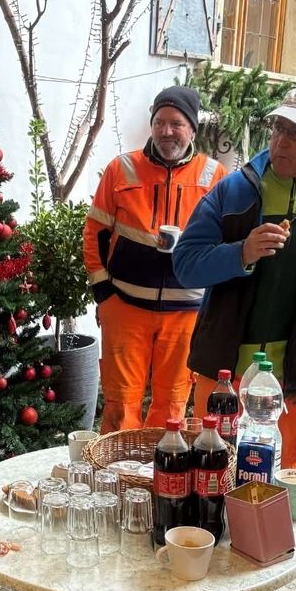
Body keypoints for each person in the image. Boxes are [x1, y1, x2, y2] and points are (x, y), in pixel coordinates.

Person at [174, 86, 296, 591]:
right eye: (277, 128)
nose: (281, 141)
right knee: (211, 471)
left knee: (271, 477)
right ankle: (202, 576)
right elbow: (185, 264)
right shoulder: (233, 192)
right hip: (223, 368)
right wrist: (240, 253)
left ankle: (259, 577)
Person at [84, 86, 227, 433]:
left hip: (186, 313)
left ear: (192, 129)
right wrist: (103, 291)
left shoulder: (215, 176)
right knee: (120, 402)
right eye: (160, 122)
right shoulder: (121, 169)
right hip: (125, 307)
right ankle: (116, 476)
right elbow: (95, 232)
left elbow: (226, 244)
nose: (166, 131)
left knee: (173, 405)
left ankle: (162, 478)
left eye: (176, 123)